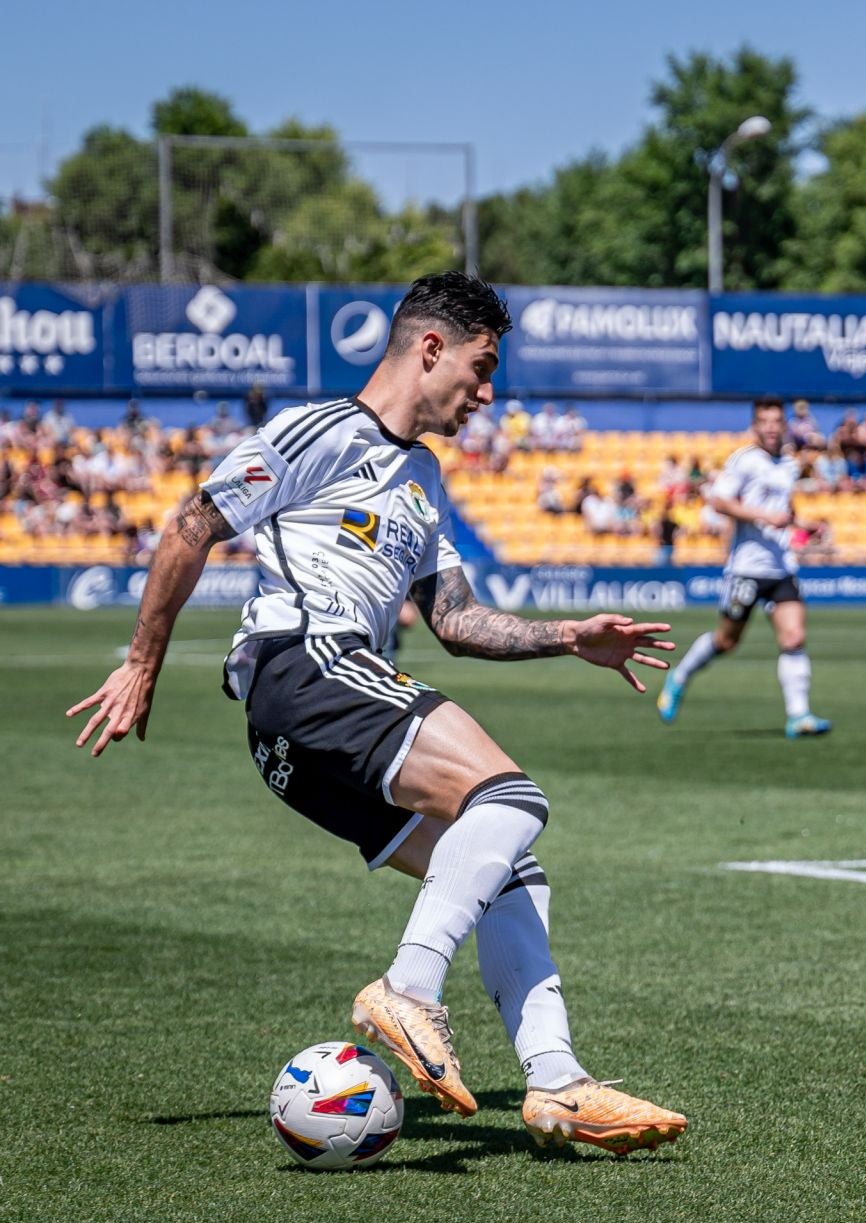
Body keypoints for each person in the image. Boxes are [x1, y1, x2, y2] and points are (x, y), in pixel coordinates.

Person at [67, 272, 688, 1153]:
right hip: (307, 665)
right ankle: (409, 985)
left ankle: (556, 1084)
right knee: (510, 798)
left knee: (509, 866)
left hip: (302, 729)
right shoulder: (322, 429)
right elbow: (191, 524)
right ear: (430, 348)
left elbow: (457, 621)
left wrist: (568, 636)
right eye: (480, 368)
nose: (486, 393)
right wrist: (140, 663)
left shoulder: (424, 477)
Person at [655, 396, 831, 738]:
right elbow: (719, 502)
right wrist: (765, 516)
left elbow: (781, 509)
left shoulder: (789, 464)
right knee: (726, 641)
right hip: (746, 568)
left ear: (783, 426)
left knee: (794, 637)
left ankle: (799, 716)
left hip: (781, 566)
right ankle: (680, 677)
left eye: (776, 421)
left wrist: (801, 524)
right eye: (764, 421)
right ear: (755, 426)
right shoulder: (743, 460)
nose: (770, 428)